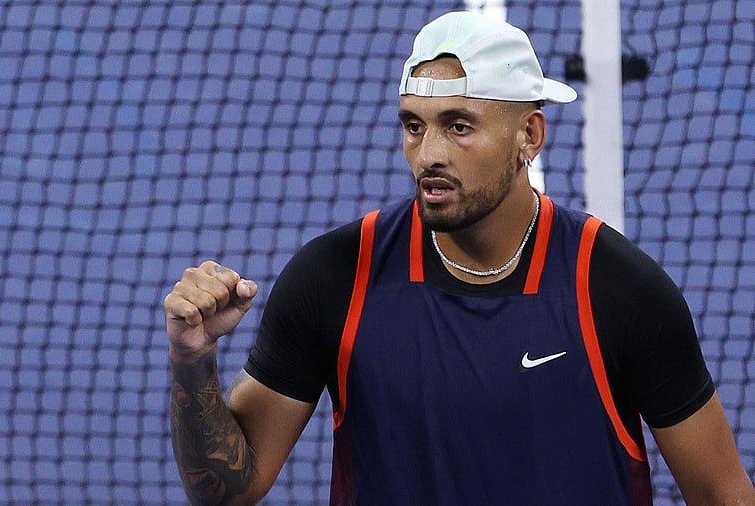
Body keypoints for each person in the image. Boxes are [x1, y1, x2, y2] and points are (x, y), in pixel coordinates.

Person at [163, 11, 755, 505]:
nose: (430, 155)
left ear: (529, 136)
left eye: (460, 126)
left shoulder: (618, 290)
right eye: (415, 126)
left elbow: (723, 496)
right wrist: (192, 358)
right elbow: (226, 491)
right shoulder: (335, 278)